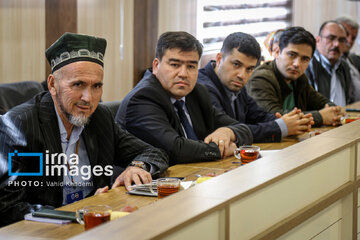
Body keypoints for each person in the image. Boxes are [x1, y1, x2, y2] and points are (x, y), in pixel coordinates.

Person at [0, 33, 169, 227]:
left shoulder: (99, 117)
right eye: (78, 84)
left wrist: (137, 167)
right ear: (53, 85)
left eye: (96, 86)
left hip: (96, 227)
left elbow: (154, 152)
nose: (88, 98)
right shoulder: (20, 125)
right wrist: (78, 212)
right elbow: (7, 207)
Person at [116, 31, 253, 166]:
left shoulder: (197, 92)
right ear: (156, 66)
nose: (183, 74)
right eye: (175, 65)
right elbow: (175, 150)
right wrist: (219, 150)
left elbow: (243, 128)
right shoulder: (143, 98)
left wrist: (228, 131)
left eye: (191, 66)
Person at [197, 32, 313, 143]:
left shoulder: (234, 82)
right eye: (236, 64)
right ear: (219, 59)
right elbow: (231, 129)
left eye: (249, 69)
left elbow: (258, 115)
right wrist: (281, 126)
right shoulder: (203, 87)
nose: (242, 75)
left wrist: (292, 121)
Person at [247, 27, 344, 127]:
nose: (297, 64)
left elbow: (322, 102)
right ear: (277, 52)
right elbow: (274, 118)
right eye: (292, 55)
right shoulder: (261, 79)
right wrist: (321, 117)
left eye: (305, 59)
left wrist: (333, 112)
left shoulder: (299, 78)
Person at [305, 21, 353, 106]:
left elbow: (348, 98)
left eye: (342, 40)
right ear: (318, 40)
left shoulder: (344, 65)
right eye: (331, 38)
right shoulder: (308, 64)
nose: (336, 44)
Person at [336, 16, 360, 101]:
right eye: (346, 34)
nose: (349, 41)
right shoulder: (332, 62)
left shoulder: (352, 60)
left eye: (353, 38)